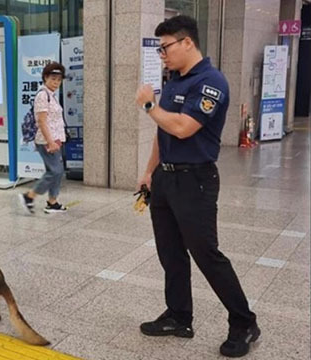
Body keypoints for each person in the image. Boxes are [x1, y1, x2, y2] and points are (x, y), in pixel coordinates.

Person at [135, 16, 259, 358]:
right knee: (170, 253)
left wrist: (149, 105)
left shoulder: (211, 82)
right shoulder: (174, 79)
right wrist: (149, 172)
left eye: (166, 47)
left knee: (207, 255)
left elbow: (182, 127)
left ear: (187, 42)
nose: (162, 54)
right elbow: (164, 133)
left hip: (195, 181)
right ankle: (178, 316)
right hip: (165, 179)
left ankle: (244, 322)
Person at [18, 62, 68, 214]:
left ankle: (52, 202)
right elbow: (41, 121)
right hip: (47, 141)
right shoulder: (42, 95)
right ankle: (29, 196)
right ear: (45, 78)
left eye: (59, 80)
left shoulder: (51, 95)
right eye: (53, 79)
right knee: (56, 171)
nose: (56, 82)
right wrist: (51, 141)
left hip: (56, 140)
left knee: (55, 171)